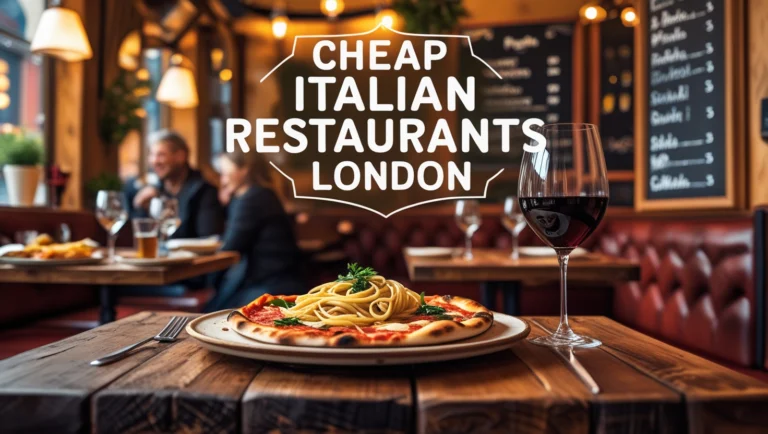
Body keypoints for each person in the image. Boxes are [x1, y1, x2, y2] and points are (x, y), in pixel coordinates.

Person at [204, 150, 303, 311]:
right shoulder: (259, 194)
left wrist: (207, 283)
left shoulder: (252, 198)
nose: (222, 181)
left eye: (226, 174)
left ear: (244, 170)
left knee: (214, 311)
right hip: (274, 278)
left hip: (270, 284)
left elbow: (230, 246)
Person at [127, 130, 224, 239]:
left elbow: (209, 240)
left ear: (180, 156)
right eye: (152, 155)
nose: (154, 161)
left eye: (161, 155)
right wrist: (141, 208)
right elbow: (140, 238)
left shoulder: (204, 191)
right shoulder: (154, 191)